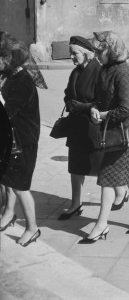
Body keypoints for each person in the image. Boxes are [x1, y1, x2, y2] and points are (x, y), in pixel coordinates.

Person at [83, 31, 129, 243]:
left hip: (125, 131)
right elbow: (99, 98)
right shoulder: (105, 69)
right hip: (112, 128)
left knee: (108, 176)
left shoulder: (124, 73)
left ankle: (101, 225)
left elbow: (125, 110)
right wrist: (95, 109)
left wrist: (103, 114)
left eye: (100, 51)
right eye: (95, 51)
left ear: (112, 51)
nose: (96, 55)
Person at [59, 36, 125, 220]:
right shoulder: (76, 72)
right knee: (75, 167)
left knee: (102, 167)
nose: (72, 57)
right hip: (77, 126)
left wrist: (83, 106)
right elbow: (68, 93)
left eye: (75, 54)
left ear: (87, 53)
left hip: (93, 127)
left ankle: (121, 192)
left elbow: (103, 100)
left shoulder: (98, 71)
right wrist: (69, 102)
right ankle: (75, 204)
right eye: (70, 54)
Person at [0, 33, 45, 246]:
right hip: (12, 138)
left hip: (23, 141)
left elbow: (7, 112)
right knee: (7, 179)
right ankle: (9, 213)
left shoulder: (22, 81)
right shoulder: (10, 75)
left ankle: (32, 228)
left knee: (20, 186)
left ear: (9, 59)